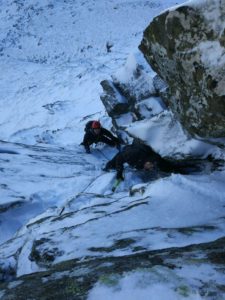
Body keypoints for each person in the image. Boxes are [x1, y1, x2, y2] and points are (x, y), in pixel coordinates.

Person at [103, 142, 176, 180]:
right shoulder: (133, 155)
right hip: (125, 152)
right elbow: (120, 158)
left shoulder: (152, 159)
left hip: (139, 156)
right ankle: (105, 169)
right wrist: (119, 172)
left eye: (151, 168)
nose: (150, 169)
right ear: (147, 162)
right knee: (112, 164)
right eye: (150, 167)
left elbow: (158, 159)